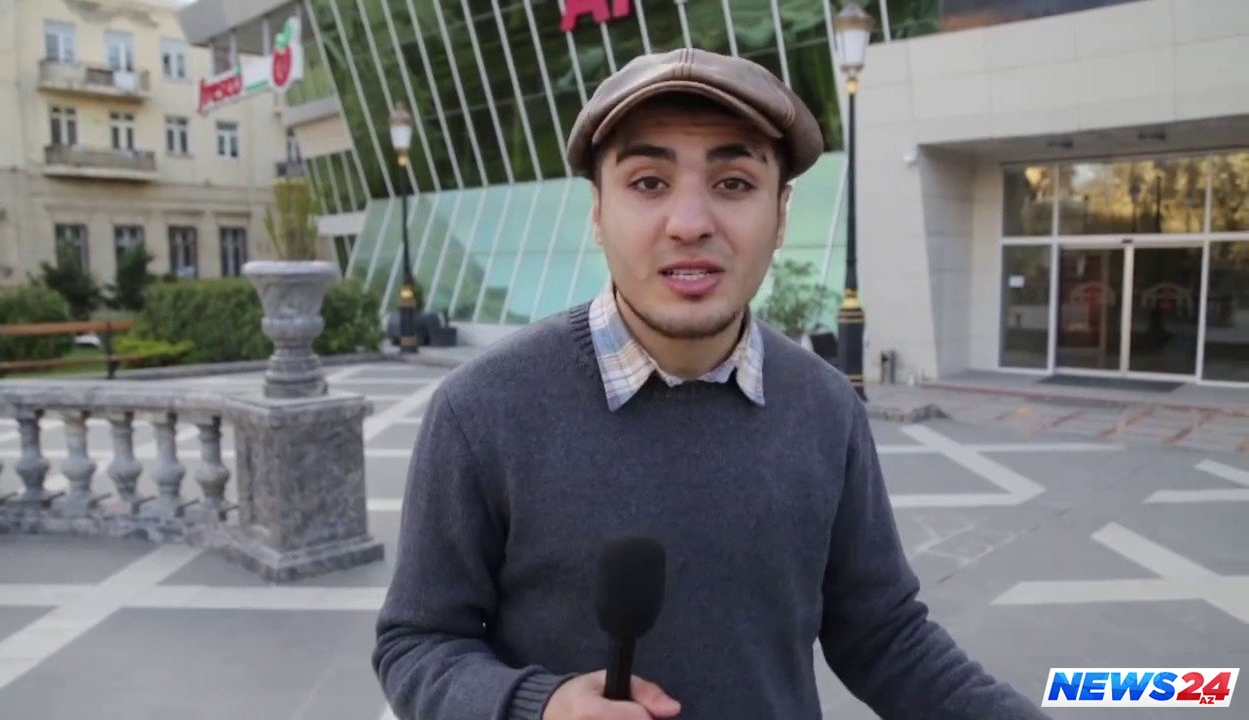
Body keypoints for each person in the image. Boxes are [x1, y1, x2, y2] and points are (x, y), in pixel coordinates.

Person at [373, 48, 1048, 720]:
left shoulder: (825, 408)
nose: (691, 223)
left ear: (781, 214)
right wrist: (538, 707)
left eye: (733, 184)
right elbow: (418, 643)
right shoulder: (482, 409)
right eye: (648, 182)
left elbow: (886, 637)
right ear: (597, 211)